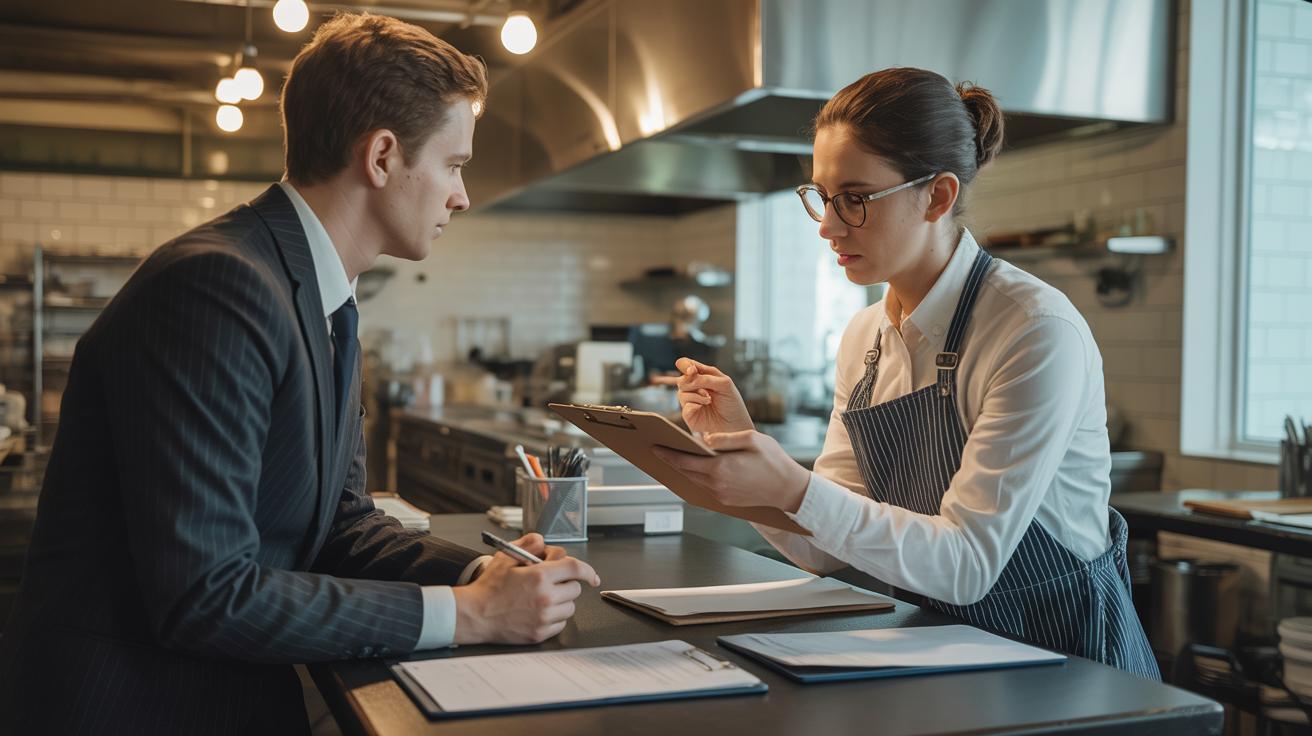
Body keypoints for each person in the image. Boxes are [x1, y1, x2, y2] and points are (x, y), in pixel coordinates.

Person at [0, 14, 599, 734]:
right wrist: (468, 615)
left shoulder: (318, 294)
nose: (461, 196)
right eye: (455, 165)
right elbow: (205, 595)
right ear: (382, 156)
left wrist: (482, 576)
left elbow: (342, 525)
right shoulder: (217, 287)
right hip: (143, 703)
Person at [654, 67, 1159, 679]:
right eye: (822, 195)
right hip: (938, 658)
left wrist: (790, 485)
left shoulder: (1033, 330)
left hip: (1063, 669)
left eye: (856, 199)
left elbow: (968, 564)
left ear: (938, 196)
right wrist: (738, 449)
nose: (827, 225)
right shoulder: (865, 337)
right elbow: (822, 549)